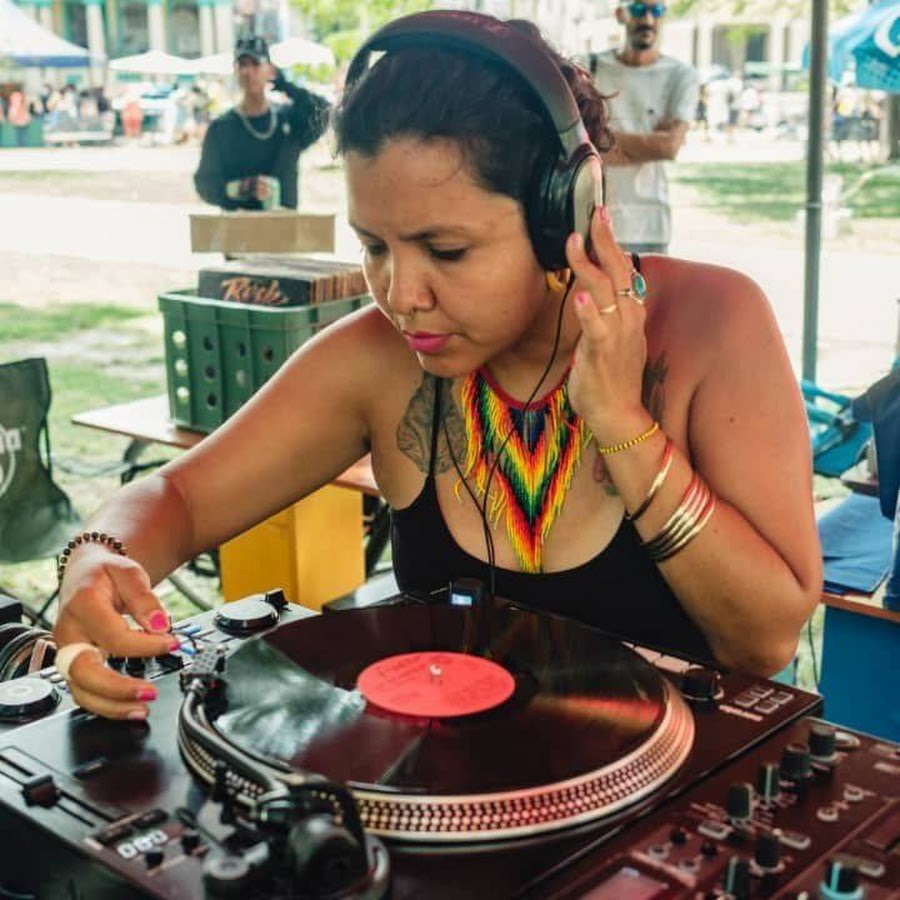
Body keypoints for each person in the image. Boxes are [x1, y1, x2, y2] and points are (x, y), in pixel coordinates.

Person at [53, 11, 821, 721]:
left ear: (563, 215)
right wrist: (96, 560)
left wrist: (622, 422)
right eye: (374, 246)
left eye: (446, 251)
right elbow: (180, 497)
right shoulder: (379, 357)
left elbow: (763, 642)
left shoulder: (713, 325)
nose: (400, 294)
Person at [591, 1, 699, 254]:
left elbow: (669, 147)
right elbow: (581, 142)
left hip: (650, 223)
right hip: (595, 221)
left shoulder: (680, 75)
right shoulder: (591, 67)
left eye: (657, 11)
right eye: (639, 10)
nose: (648, 19)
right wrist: (650, 143)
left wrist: (602, 139)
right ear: (621, 15)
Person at [193, 35, 330, 210]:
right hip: (238, 224)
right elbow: (205, 184)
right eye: (242, 64)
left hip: (285, 223)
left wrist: (287, 86)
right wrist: (243, 188)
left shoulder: (289, 121)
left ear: (270, 70)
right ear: (235, 70)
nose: (248, 71)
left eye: (256, 64)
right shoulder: (221, 127)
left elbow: (324, 112)